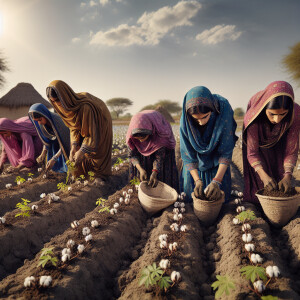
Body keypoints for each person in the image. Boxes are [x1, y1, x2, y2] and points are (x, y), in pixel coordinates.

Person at [242, 81, 300, 204]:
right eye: (272, 114)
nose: (277, 119)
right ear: (264, 108)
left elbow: (291, 149)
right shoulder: (253, 116)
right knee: (259, 186)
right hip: (258, 148)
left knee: (280, 182)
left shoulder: (295, 113)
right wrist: (263, 176)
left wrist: (288, 175)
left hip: (280, 144)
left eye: (283, 114)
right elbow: (252, 152)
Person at [46, 80, 112, 184]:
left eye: (57, 100)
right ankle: (83, 176)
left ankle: (99, 175)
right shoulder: (63, 109)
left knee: (96, 150)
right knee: (77, 151)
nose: (57, 104)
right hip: (88, 126)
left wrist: (82, 151)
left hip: (100, 121)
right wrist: (74, 146)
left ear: (64, 97)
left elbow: (91, 134)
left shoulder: (85, 107)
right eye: (53, 102)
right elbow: (73, 127)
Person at [180, 86, 238, 202]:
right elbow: (187, 156)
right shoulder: (186, 122)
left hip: (217, 167)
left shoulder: (223, 112)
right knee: (191, 202)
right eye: (196, 119)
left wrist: (217, 181)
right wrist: (197, 180)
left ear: (212, 110)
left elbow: (226, 152)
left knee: (219, 201)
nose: (201, 123)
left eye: (205, 117)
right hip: (195, 168)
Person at [126, 110, 179, 191]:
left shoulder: (160, 136)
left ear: (150, 132)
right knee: (140, 185)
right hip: (141, 161)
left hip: (161, 159)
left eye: (143, 138)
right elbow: (132, 156)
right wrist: (140, 169)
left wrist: (154, 172)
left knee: (160, 186)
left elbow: (159, 158)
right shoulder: (131, 138)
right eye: (138, 138)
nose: (140, 141)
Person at [28, 103, 70, 173]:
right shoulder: (42, 124)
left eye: (40, 120)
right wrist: (43, 153)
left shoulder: (58, 121)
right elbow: (47, 140)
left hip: (66, 146)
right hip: (55, 147)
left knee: (66, 171)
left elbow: (66, 142)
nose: (39, 123)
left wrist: (55, 158)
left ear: (45, 115)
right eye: (37, 121)